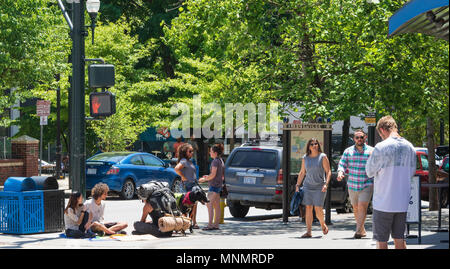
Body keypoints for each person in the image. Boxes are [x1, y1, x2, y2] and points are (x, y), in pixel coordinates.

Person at [366, 115, 416, 249]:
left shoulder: (381, 147)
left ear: (382, 129)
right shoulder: (410, 147)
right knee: (400, 240)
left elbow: (369, 171)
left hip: (384, 202)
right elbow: (411, 173)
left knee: (381, 242)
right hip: (402, 202)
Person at [337, 129, 374, 239]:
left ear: (365, 138)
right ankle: (362, 229)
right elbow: (342, 164)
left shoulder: (372, 151)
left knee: (362, 206)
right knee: (356, 208)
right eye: (357, 137)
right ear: (354, 139)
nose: (359, 139)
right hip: (352, 184)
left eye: (361, 137)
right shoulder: (348, 151)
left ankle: (358, 231)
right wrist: (340, 172)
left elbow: (377, 165)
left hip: (367, 183)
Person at [295, 138, 332, 238]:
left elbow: (328, 171)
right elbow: (302, 172)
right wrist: (297, 185)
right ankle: (309, 231)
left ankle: (322, 223)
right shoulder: (305, 158)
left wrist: (326, 184)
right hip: (307, 186)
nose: (314, 145)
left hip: (320, 186)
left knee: (318, 208)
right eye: (312, 144)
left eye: (316, 144)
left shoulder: (322, 157)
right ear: (309, 146)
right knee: (308, 207)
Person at [199, 143, 225, 230]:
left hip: (214, 186)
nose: (209, 153)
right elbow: (217, 174)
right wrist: (208, 176)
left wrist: (204, 179)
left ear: (215, 152)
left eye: (210, 151)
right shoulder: (220, 160)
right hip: (218, 185)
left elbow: (213, 174)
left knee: (208, 204)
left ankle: (210, 225)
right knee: (216, 206)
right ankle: (216, 225)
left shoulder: (215, 161)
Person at [174, 143, 199, 228]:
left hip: (193, 184)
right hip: (187, 185)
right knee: (186, 205)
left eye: (192, 151)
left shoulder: (189, 161)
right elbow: (177, 169)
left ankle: (193, 222)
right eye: (190, 151)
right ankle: (187, 223)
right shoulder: (184, 160)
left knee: (194, 204)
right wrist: (183, 177)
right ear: (185, 152)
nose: (192, 153)